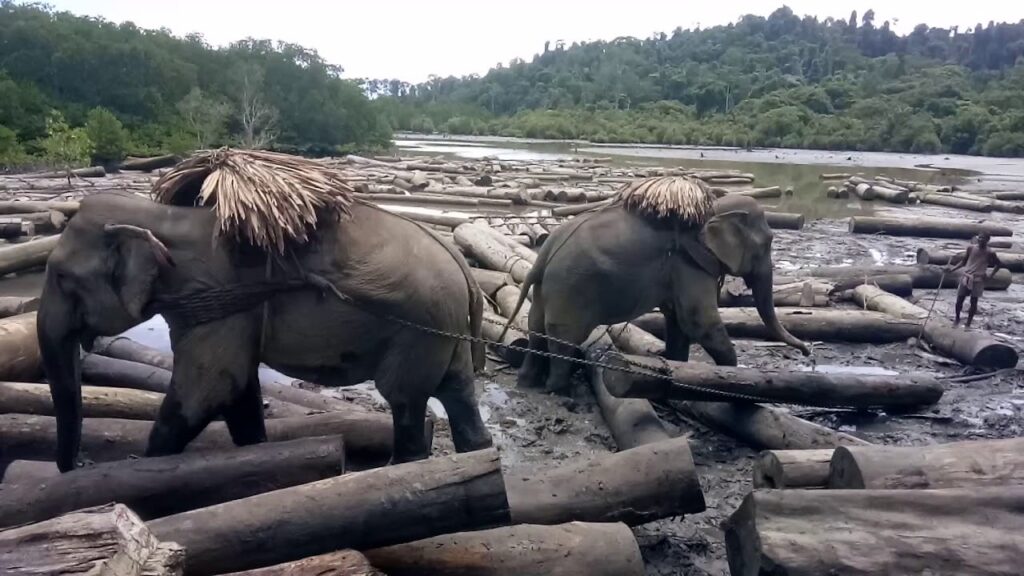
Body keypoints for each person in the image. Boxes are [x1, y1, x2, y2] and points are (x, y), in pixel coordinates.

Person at [948, 232, 1003, 328]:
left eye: (983, 238)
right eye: (979, 237)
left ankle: (968, 324)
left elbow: (999, 264)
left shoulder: (990, 253)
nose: (980, 239)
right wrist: (952, 269)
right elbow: (963, 261)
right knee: (959, 299)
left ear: (987, 240)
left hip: (978, 279)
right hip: (966, 276)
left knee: (973, 302)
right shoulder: (971, 248)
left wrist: (990, 275)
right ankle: (957, 319)